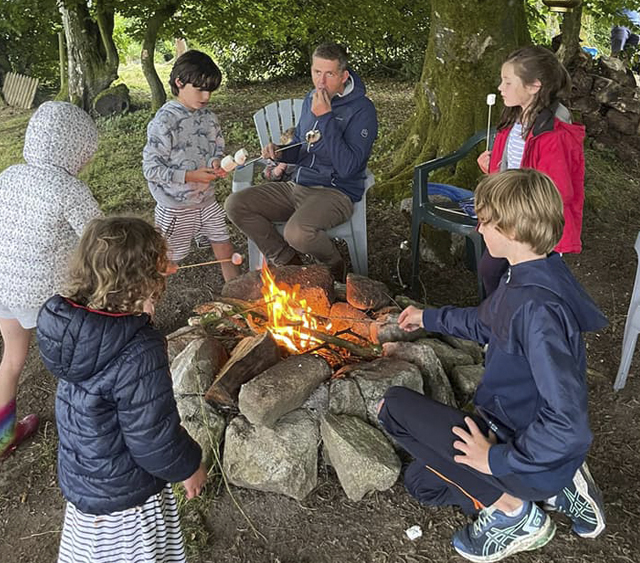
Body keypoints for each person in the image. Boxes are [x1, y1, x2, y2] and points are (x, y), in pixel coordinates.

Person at [378, 169, 607, 562]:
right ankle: (558, 487)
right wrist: (427, 317)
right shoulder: (532, 274)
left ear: (513, 230)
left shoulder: (538, 311)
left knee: (392, 408)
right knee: (422, 485)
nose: (479, 229)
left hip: (517, 444)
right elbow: (485, 322)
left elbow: (570, 422)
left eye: (485, 221)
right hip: (517, 429)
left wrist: (495, 459)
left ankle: (515, 514)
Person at [37, 216, 206, 563]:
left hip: (87, 484)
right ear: (141, 281)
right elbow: (153, 438)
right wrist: (189, 466)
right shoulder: (138, 349)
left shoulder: (71, 328)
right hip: (128, 503)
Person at [225, 42, 378, 281]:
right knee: (236, 204)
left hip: (336, 192)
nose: (321, 82)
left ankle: (335, 267)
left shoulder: (363, 111)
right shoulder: (311, 99)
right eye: (317, 72)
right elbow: (302, 145)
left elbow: (348, 167)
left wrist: (326, 117)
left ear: (344, 76)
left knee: (296, 232)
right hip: (299, 185)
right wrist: (281, 153)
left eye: (329, 74)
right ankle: (289, 264)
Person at [0, 101, 102, 458]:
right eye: (86, 153)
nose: (87, 161)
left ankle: (2, 437)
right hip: (46, 297)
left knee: (12, 359)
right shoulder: (69, 189)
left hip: (4, 287)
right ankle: (83, 437)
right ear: (75, 149)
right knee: (73, 364)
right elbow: (101, 238)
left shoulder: (9, 175)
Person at [476, 45, 584, 295]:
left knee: (521, 285)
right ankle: (499, 317)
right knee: (489, 270)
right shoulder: (513, 119)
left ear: (534, 86)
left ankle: (512, 322)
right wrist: (491, 169)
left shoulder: (554, 134)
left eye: (508, 82)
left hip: (531, 227)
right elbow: (507, 168)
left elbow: (559, 192)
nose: (500, 88)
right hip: (506, 215)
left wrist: (513, 203)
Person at [143, 49, 240, 281]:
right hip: (175, 207)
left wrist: (216, 162)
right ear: (179, 82)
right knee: (164, 263)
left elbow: (215, 149)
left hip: (206, 201)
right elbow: (151, 170)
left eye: (210, 90)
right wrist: (190, 176)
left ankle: (237, 297)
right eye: (200, 89)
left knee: (225, 249)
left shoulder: (209, 118)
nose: (206, 96)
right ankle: (146, 308)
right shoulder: (164, 122)